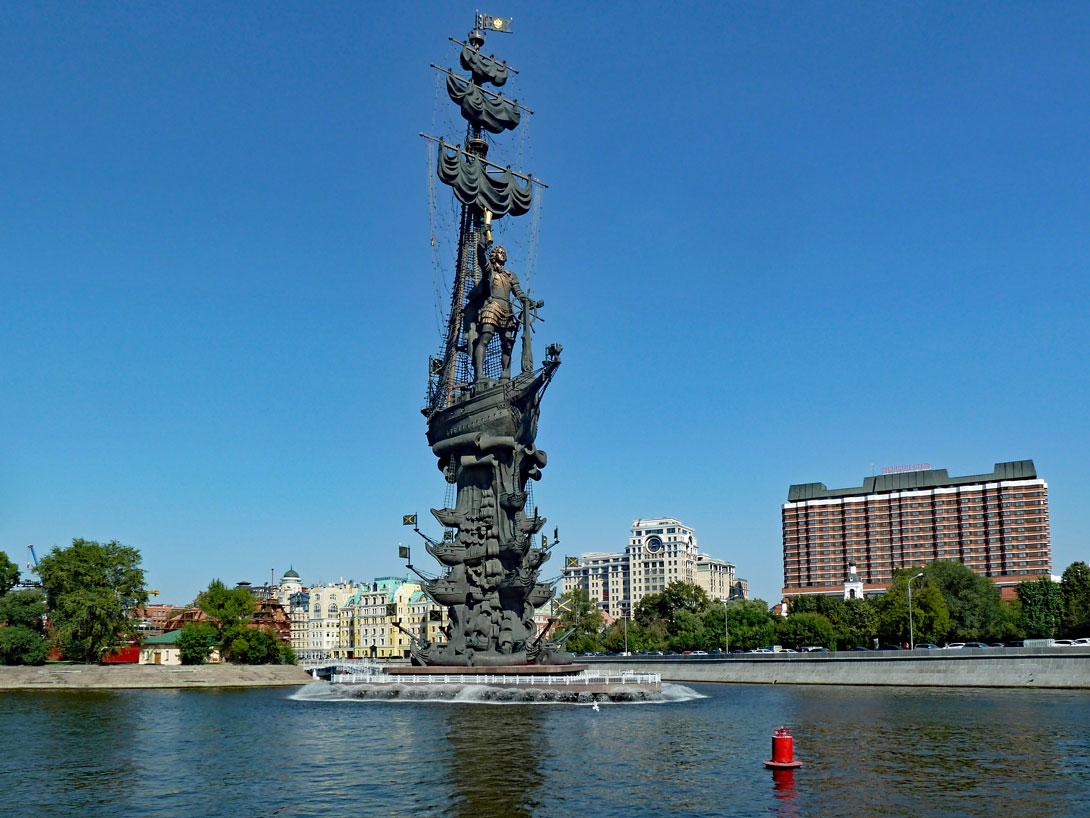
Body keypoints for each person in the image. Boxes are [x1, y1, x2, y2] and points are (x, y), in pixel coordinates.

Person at [470, 235, 535, 382]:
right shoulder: (490, 272)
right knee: (485, 338)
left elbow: (518, 293)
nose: (503, 254)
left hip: (507, 311)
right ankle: (479, 374)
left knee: (507, 344)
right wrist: (483, 242)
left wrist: (526, 301)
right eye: (500, 252)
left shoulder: (510, 276)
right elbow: (481, 257)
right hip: (493, 307)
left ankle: (505, 374)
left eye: (504, 252)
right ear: (494, 256)